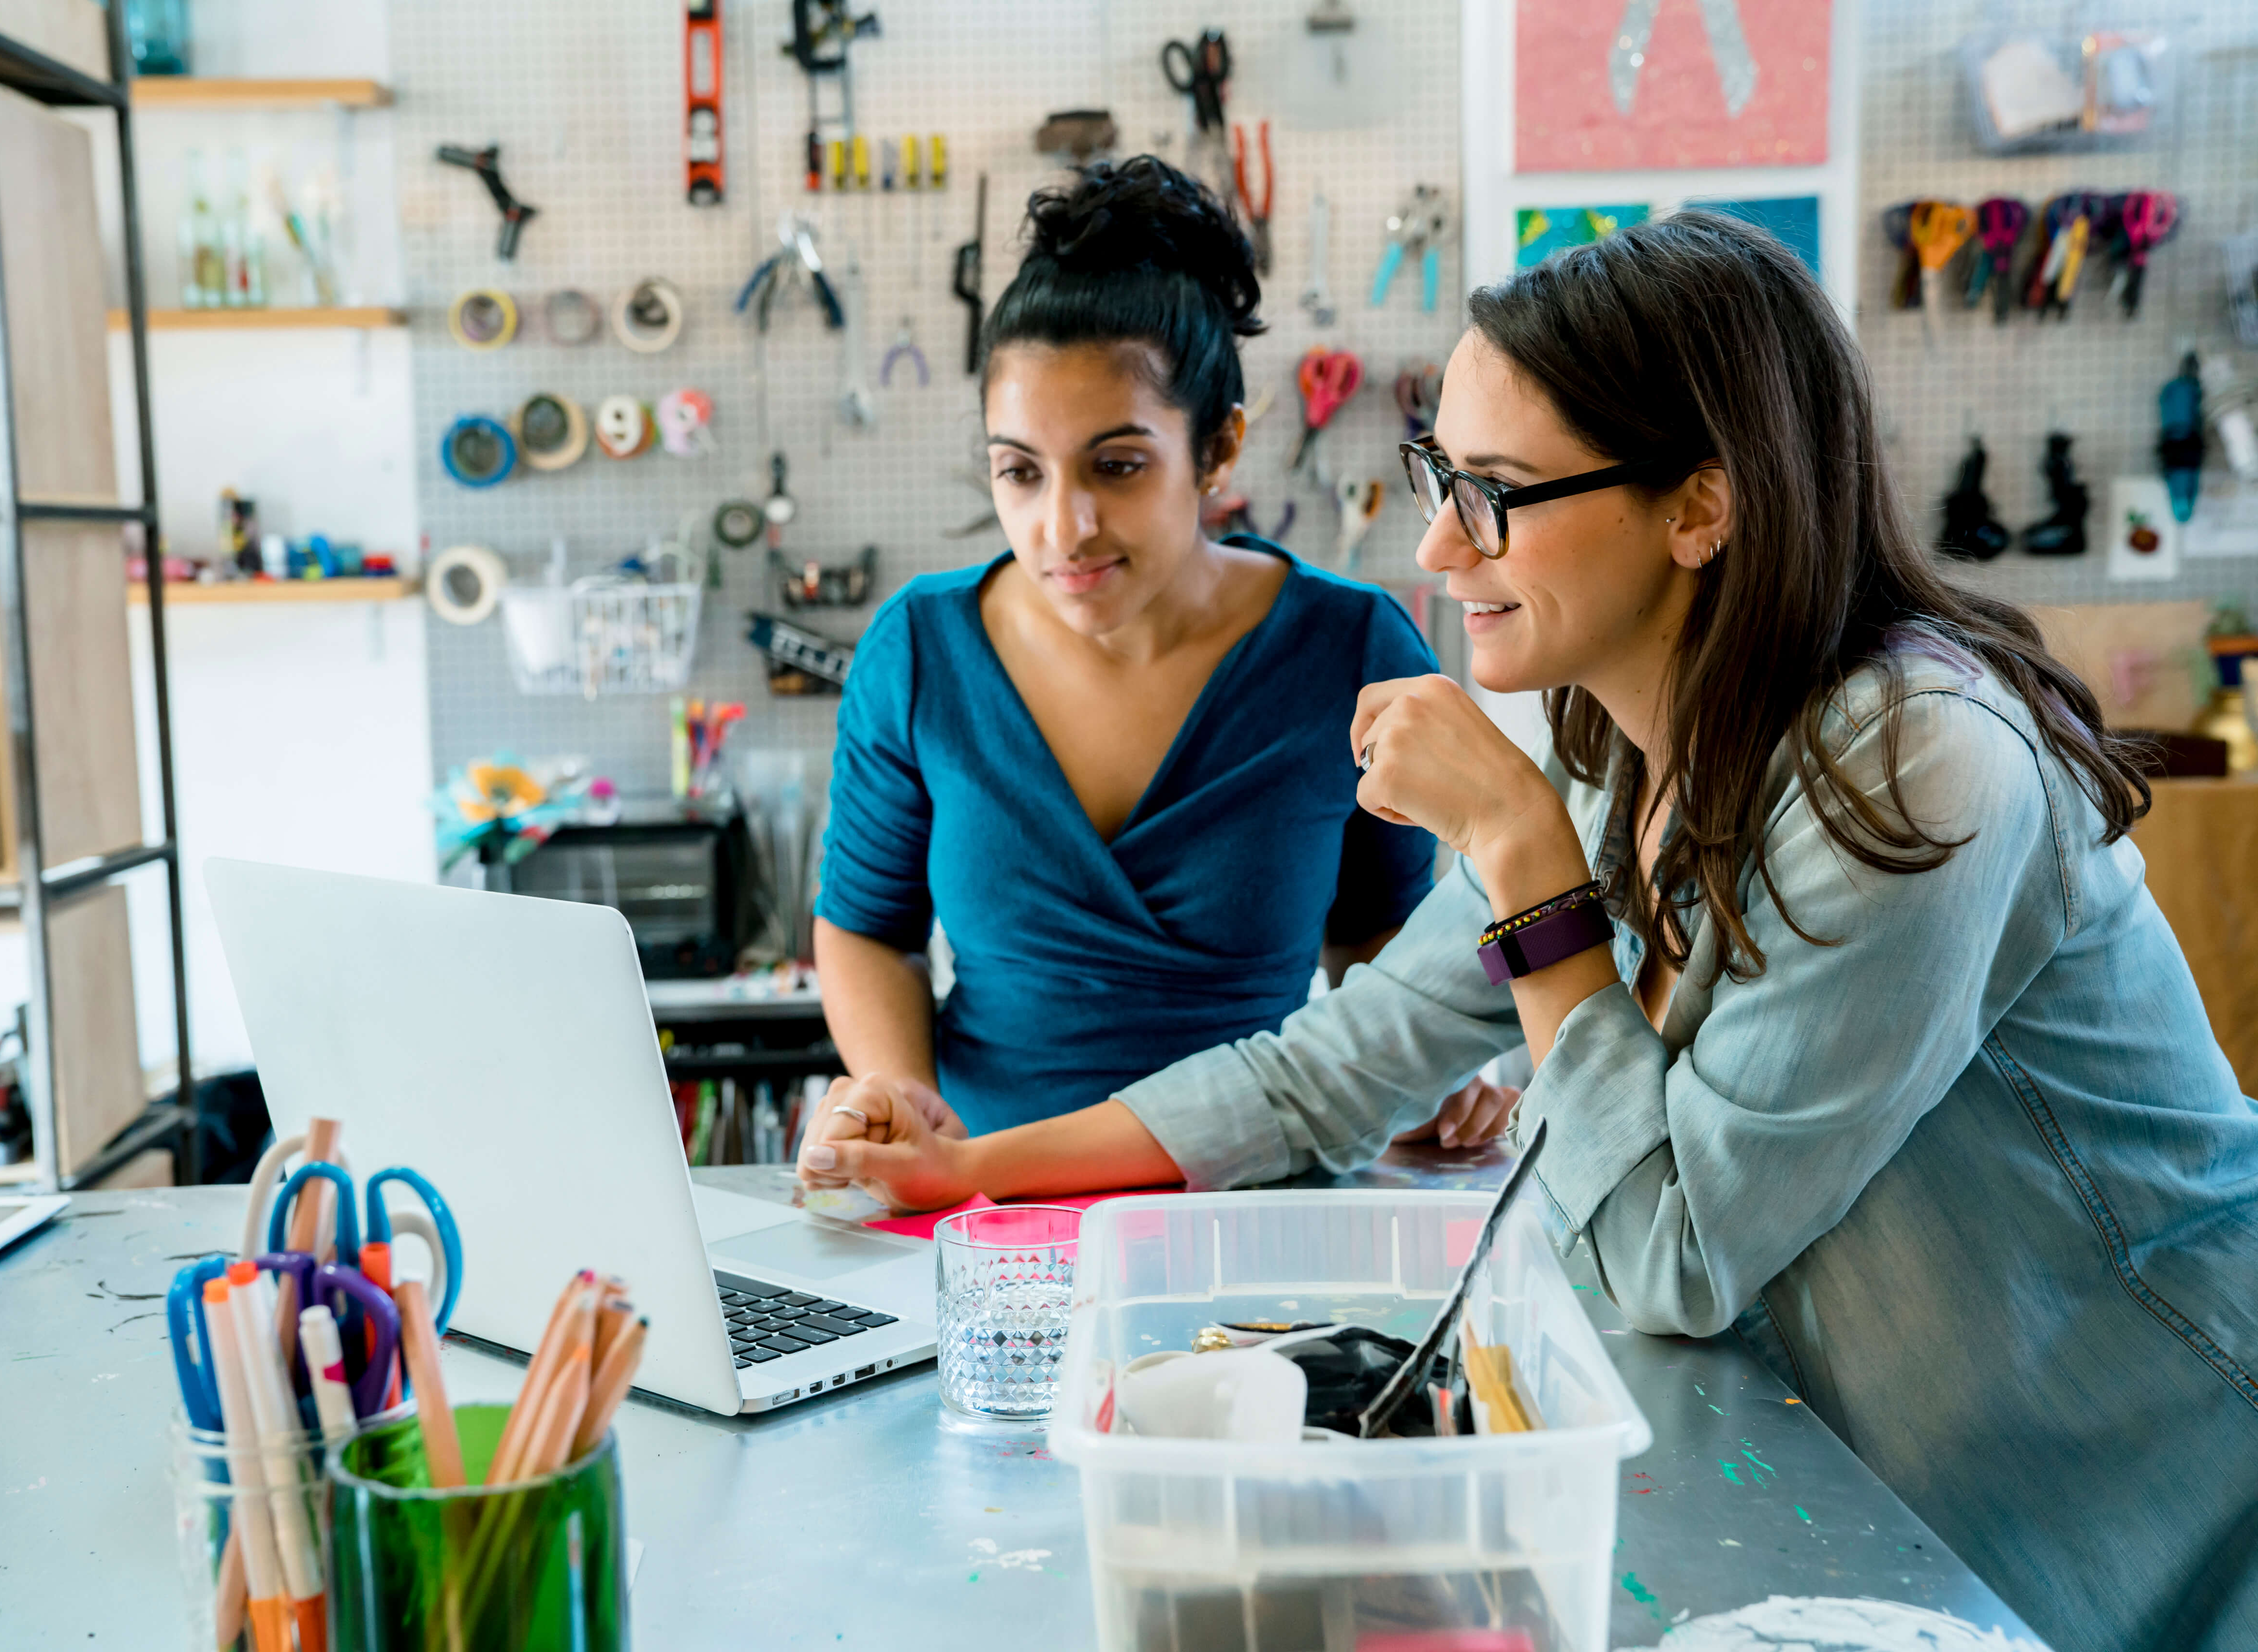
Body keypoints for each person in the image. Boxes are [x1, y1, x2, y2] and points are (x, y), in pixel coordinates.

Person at [798, 212, 2258, 1651]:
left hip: (2161, 1477)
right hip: (1917, 1492)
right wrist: (970, 1167)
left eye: (1494, 489)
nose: (1437, 545)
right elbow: (1329, 1070)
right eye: (1438, 471)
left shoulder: (1916, 762)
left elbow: (1668, 1255)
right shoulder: (1605, 743)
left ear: (1699, 506)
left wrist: (1521, 867)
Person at [814, 155, 1509, 1138]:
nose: (1064, 524)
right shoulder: (919, 651)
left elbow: (1378, 933)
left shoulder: (1349, 648)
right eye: (1019, 472)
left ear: (1218, 448)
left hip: (1254, 1211)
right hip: (981, 1203)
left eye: (1118, 464)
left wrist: (1418, 1077)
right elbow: (866, 931)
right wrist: (902, 1096)